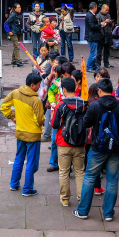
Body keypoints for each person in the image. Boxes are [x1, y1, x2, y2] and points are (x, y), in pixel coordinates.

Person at [72, 78, 119, 222]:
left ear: (99, 91)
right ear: (111, 90)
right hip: (116, 147)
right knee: (112, 180)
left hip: (97, 147)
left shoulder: (94, 106)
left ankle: (83, 211)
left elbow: (86, 123)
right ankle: (108, 213)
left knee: (89, 177)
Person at [0, 72, 45, 197]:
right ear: (32, 85)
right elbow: (40, 119)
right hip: (33, 135)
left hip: (20, 132)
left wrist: (13, 117)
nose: (39, 87)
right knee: (31, 162)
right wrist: (41, 122)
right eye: (38, 85)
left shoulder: (15, 93)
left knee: (19, 158)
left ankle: (14, 184)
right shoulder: (36, 100)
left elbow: (3, 106)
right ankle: (27, 188)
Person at [51, 77, 86, 207]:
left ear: (64, 89)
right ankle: (81, 198)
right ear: (76, 88)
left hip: (63, 142)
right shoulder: (83, 104)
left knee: (64, 171)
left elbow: (55, 125)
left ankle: (65, 199)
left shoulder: (61, 104)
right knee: (79, 171)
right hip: (80, 143)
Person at [85, 2, 102, 70]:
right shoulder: (90, 16)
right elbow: (92, 26)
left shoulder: (90, 15)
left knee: (94, 52)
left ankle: (94, 66)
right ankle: (89, 67)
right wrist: (100, 25)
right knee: (93, 53)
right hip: (92, 37)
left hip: (91, 36)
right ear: (94, 7)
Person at [98, 4, 114, 68]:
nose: (107, 11)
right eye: (106, 10)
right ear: (102, 8)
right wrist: (105, 22)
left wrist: (110, 23)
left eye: (108, 10)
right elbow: (98, 25)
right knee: (99, 51)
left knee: (107, 50)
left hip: (108, 35)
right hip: (101, 35)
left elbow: (111, 25)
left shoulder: (108, 15)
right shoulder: (98, 16)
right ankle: (98, 64)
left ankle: (106, 63)